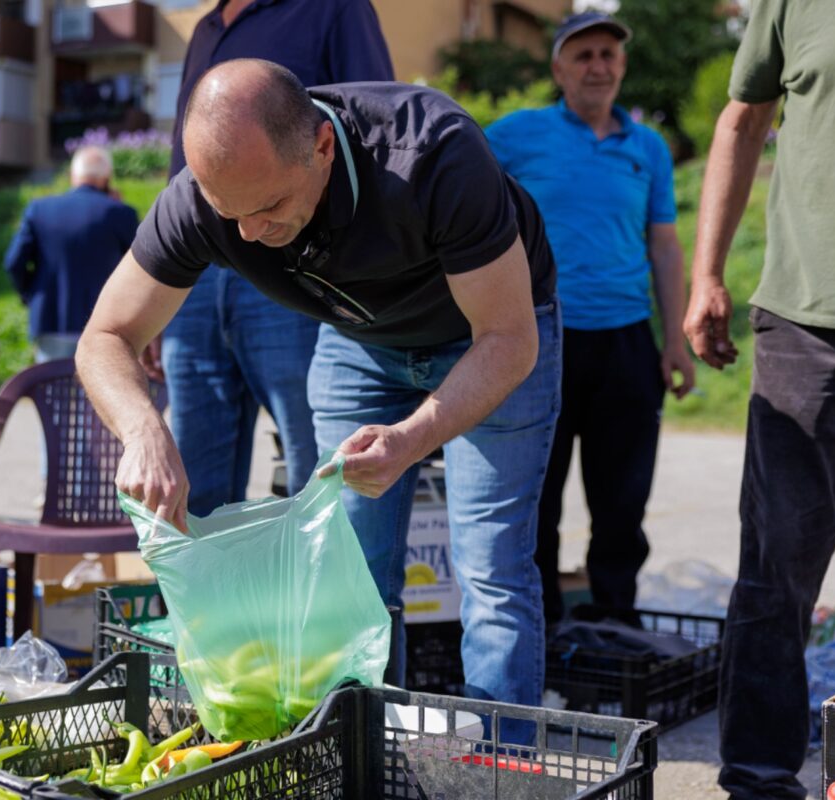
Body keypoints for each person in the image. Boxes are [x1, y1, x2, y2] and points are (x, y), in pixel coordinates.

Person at [77, 59, 561, 707]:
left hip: (487, 337)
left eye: (271, 205)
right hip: (361, 343)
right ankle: (367, 758)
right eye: (231, 214)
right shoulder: (202, 201)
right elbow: (105, 337)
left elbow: (509, 340)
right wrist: (143, 429)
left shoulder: (434, 153)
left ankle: (504, 766)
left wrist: (412, 439)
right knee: (349, 574)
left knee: (491, 568)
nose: (251, 234)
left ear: (322, 146)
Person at [681, 0, 835, 796]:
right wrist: (705, 276)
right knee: (774, 577)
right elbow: (741, 119)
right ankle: (760, 782)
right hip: (811, 323)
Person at [143, 0, 394, 516]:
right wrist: (161, 296)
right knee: (192, 479)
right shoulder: (205, 29)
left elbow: (374, 129)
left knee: (319, 470)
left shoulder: (334, 8)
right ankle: (206, 600)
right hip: (201, 272)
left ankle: (322, 597)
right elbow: (185, 164)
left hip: (293, 264)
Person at [485, 12, 694, 624]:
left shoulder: (648, 146)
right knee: (536, 501)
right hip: (539, 338)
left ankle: (614, 626)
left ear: (622, 66)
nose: (598, 66)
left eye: (608, 54)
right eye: (584, 55)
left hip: (628, 342)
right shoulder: (515, 135)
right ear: (558, 69)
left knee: (622, 501)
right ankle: (541, 627)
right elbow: (464, 204)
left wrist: (674, 339)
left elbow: (664, 245)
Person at [4, 146, 138, 364]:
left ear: (73, 175)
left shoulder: (39, 210)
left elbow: (13, 262)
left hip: (51, 319)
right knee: (96, 395)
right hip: (105, 323)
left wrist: (32, 294)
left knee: (52, 392)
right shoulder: (121, 213)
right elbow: (138, 269)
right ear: (107, 178)